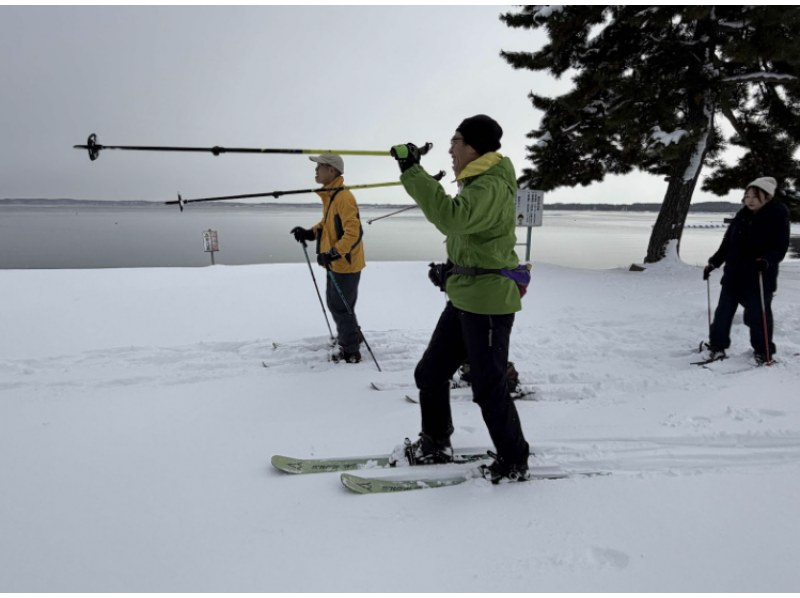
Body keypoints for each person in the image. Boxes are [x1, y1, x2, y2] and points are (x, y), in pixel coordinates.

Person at [388, 114, 531, 483]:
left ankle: (514, 461)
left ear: (474, 147)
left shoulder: (490, 186)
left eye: (456, 141)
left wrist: (412, 170)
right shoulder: (477, 184)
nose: (450, 149)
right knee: (430, 374)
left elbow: (452, 219)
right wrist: (452, 271)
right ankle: (436, 443)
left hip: (488, 304)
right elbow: (472, 240)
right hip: (466, 297)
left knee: (489, 388)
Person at [701, 176, 790, 364]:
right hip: (733, 275)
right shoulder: (741, 216)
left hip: (758, 277)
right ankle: (717, 347)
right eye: (747, 196)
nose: (750, 200)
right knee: (723, 314)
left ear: (767, 197)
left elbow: (780, 248)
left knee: (758, 317)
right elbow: (727, 243)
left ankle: (763, 351)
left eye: (755, 197)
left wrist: (766, 261)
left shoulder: (777, 215)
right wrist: (714, 263)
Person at [290, 154, 366, 363]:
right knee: (338, 305)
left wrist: (333, 253)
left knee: (340, 307)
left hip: (345, 264)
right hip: (336, 263)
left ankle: (351, 351)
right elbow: (327, 224)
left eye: (319, 166)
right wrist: (310, 233)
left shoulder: (344, 198)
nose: (316, 170)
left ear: (332, 170)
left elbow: (354, 233)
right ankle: (352, 337)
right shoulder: (332, 196)